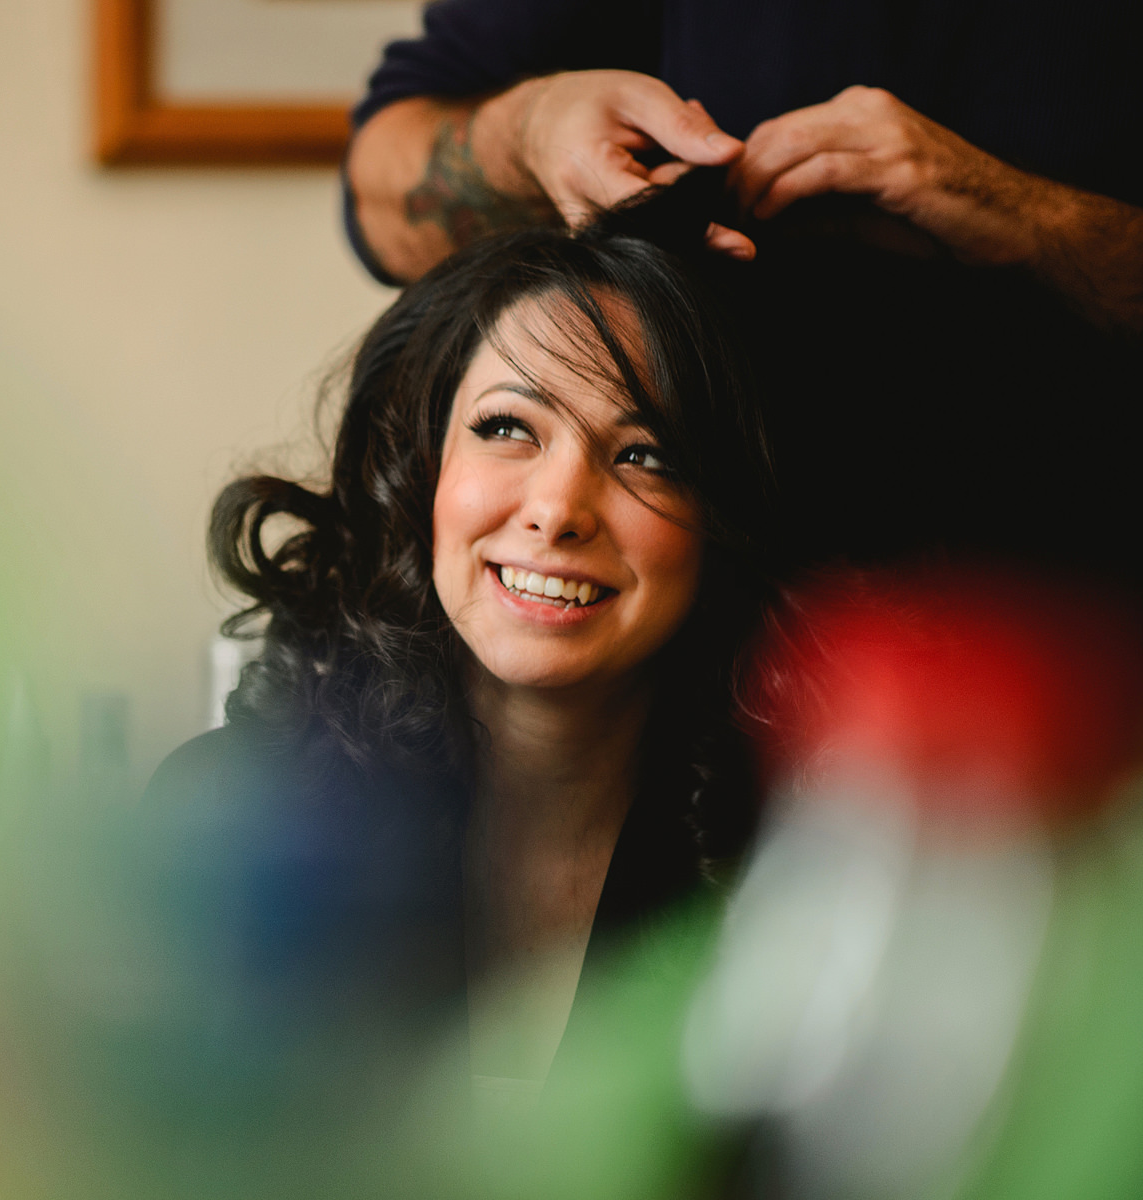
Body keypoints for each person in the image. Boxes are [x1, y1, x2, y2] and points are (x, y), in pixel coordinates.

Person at [144, 213, 777, 1101]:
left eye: (645, 454)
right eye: (508, 428)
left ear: (723, 525)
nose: (559, 509)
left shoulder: (805, 875)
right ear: (420, 474)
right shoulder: (229, 819)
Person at [341, 0, 1143, 582]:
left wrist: (1037, 222)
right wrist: (526, 135)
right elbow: (382, 204)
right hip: (711, 640)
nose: (553, 512)